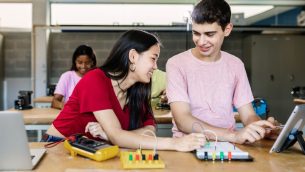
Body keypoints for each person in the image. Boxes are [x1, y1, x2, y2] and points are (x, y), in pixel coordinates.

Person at [43, 30, 206, 152]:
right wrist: (174, 143)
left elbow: (150, 131)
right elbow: (118, 136)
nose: (156, 66)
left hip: (97, 150)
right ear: (133, 56)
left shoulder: (138, 90)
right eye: (153, 58)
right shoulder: (95, 80)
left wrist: (112, 136)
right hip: (58, 148)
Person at [166, 0, 278, 144]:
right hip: (189, 146)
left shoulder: (236, 65)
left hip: (228, 147)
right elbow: (182, 120)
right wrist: (232, 136)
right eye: (196, 33)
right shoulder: (176, 64)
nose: (201, 41)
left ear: (227, 29)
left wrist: (261, 127)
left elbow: (248, 115)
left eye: (209, 34)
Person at [51, 45, 97, 109]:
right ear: (75, 61)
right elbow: (55, 101)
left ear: (92, 62)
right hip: (72, 114)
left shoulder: (97, 77)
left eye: (87, 63)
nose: (83, 66)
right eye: (80, 62)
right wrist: (64, 106)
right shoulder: (67, 76)